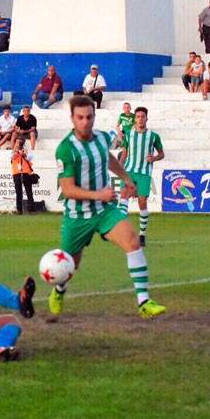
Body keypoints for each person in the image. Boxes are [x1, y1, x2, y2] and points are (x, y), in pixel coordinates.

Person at [50, 95, 166, 320]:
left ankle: (144, 301)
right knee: (70, 267)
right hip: (77, 216)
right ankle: (59, 290)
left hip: (104, 211)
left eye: (89, 117)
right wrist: (99, 194)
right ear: (72, 118)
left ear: (94, 116)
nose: (85, 122)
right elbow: (68, 189)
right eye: (80, 117)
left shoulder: (102, 138)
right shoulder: (66, 149)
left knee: (132, 241)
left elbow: (109, 159)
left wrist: (126, 178)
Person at [118, 106, 164, 247]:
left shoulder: (153, 136)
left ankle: (142, 234)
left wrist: (154, 158)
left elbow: (161, 154)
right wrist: (120, 168)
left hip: (144, 172)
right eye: (137, 116)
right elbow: (124, 153)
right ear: (135, 119)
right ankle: (122, 232)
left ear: (146, 118)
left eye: (142, 116)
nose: (140, 119)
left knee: (142, 202)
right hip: (129, 170)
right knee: (124, 196)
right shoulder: (129, 135)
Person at [10, 137, 36, 215]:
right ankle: (19, 210)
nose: (19, 144)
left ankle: (31, 209)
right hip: (17, 174)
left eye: (20, 143)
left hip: (26, 173)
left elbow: (30, 157)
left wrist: (23, 154)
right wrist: (15, 149)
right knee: (18, 192)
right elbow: (12, 157)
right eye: (17, 142)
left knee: (29, 192)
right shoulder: (14, 152)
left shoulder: (26, 151)